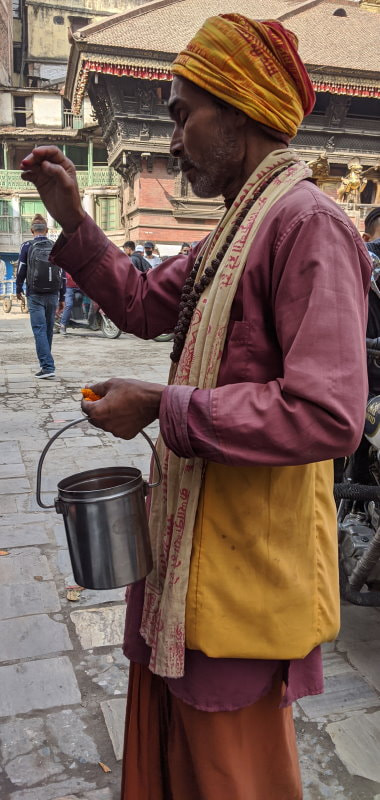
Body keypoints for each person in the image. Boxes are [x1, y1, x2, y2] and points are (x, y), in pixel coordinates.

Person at [20, 13, 371, 799]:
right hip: (188, 560)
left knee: (231, 774)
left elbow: (327, 414)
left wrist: (164, 405)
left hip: (246, 569)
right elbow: (146, 302)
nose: (173, 140)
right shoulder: (233, 230)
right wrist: (75, 219)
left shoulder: (306, 225)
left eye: (182, 114)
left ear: (238, 110)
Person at [16, 213, 64, 378]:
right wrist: (63, 296)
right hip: (52, 293)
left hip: (34, 293)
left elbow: (22, 268)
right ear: (47, 229)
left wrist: (17, 288)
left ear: (31, 230)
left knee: (39, 329)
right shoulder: (55, 245)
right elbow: (62, 272)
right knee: (48, 329)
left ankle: (47, 367)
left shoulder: (27, 246)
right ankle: (46, 364)